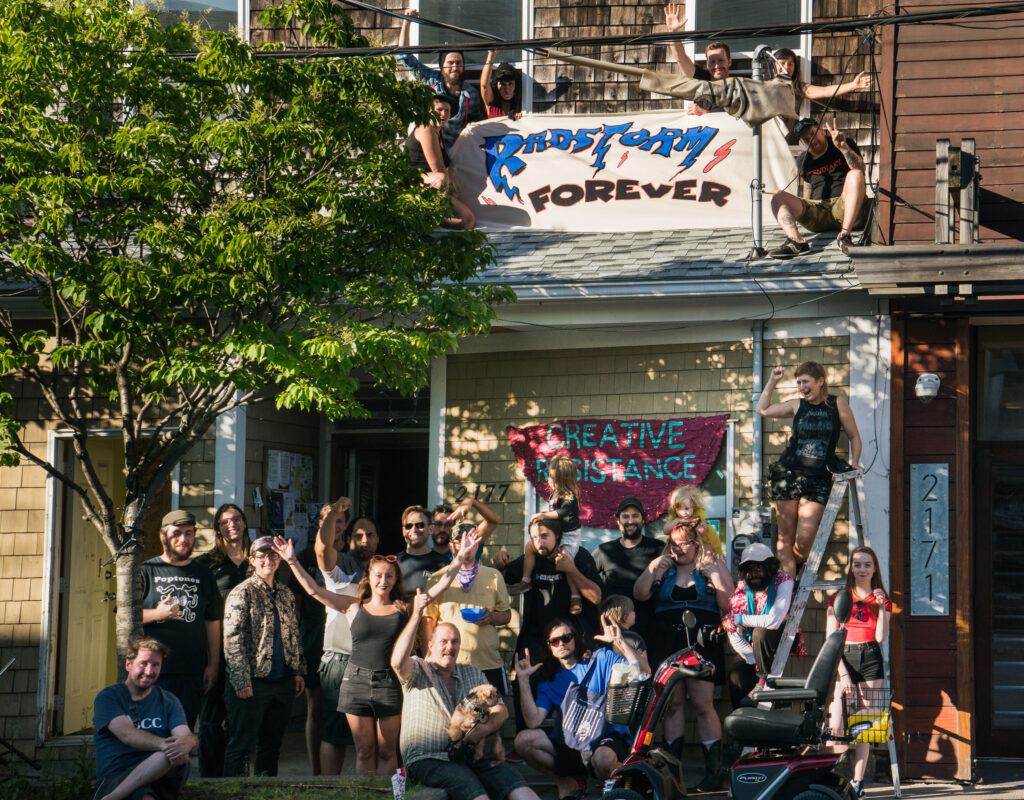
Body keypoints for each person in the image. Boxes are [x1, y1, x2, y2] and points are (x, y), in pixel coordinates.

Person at [276, 529, 481, 775]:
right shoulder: (353, 606)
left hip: (390, 684)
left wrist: (460, 558)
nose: (383, 581)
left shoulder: (404, 606)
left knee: (387, 751)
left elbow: (442, 584)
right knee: (364, 750)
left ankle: (389, 795)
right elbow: (313, 591)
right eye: (378, 575)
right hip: (355, 682)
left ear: (396, 579)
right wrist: (291, 561)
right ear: (369, 577)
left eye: (389, 576)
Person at [392, 591, 541, 800]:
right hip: (428, 758)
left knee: (516, 785)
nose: (449, 647)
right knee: (474, 791)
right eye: (443, 642)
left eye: (454, 642)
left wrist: (485, 728)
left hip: (474, 755)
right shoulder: (417, 669)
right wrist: (416, 613)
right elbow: (397, 661)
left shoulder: (472, 673)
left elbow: (501, 710)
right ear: (431, 646)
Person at [634, 519, 734, 795]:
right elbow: (640, 594)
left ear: (697, 544)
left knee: (703, 704)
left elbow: (728, 604)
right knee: (673, 704)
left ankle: (714, 772)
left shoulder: (709, 564)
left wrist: (715, 571)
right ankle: (674, 771)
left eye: (685, 543)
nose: (679, 548)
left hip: (702, 640)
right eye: (674, 544)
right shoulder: (664, 568)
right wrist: (654, 567)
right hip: (666, 640)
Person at [757, 361, 864, 577]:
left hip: (818, 480)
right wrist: (772, 381)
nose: (801, 386)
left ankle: (794, 565)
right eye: (798, 382)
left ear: (820, 381)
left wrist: (856, 460)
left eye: (805, 381)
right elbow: (762, 409)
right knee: (784, 538)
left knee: (804, 540)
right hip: (788, 474)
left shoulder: (837, 404)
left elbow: (854, 436)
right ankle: (788, 586)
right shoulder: (796, 405)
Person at [514, 615, 642, 796]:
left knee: (604, 760)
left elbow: (643, 671)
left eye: (566, 638)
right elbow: (533, 721)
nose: (561, 644)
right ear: (548, 646)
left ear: (575, 638)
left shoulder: (601, 659)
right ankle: (568, 782)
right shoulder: (549, 680)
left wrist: (620, 642)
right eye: (555, 641)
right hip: (573, 744)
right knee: (523, 740)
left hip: (607, 739)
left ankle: (623, 783)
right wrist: (523, 680)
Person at [222, 536, 306, 777]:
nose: (268, 560)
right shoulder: (242, 593)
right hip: (252, 683)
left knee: (271, 746)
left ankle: (265, 792)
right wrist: (241, 679)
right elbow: (232, 639)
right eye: (262, 555)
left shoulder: (286, 594)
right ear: (252, 560)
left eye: (273, 555)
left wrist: (298, 670)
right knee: (240, 746)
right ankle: (233, 795)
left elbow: (294, 634)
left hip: (283, 681)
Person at [140, 509, 223, 730]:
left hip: (192, 672)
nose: (183, 539)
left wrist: (213, 665)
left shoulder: (204, 575)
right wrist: (159, 614)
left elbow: (213, 622)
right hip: (153, 671)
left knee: (182, 735)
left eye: (188, 533)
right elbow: (125, 617)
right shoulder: (147, 571)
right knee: (155, 735)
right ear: (163, 536)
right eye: (176, 533)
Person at [93, 638, 196, 800]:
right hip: (117, 775)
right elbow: (127, 735)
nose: (149, 671)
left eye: (156, 665)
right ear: (128, 665)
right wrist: (164, 745)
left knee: (170, 754)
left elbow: (184, 735)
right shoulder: (109, 697)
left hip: (161, 777)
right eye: (143, 663)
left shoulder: (168, 700)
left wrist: (188, 743)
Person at [828, 546, 891, 800]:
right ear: (851, 568)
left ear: (874, 568)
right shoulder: (839, 597)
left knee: (864, 723)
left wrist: (881, 607)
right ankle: (832, 778)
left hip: (870, 657)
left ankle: (857, 783)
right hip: (845, 656)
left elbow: (880, 637)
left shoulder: (882, 599)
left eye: (867, 565)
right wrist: (843, 674)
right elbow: (830, 639)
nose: (862, 569)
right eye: (857, 564)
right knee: (837, 722)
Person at [194, 503, 251, 777]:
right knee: (210, 721)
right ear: (218, 527)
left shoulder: (257, 561)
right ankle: (210, 780)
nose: (233, 525)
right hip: (215, 650)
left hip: (251, 653)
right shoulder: (206, 565)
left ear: (244, 523)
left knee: (242, 723)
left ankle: (236, 779)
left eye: (237, 519)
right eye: (225, 521)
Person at [425, 518, 510, 692]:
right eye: (460, 542)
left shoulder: (494, 576)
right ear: (451, 546)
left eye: (471, 542)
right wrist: (429, 657)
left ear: (478, 545)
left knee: (492, 716)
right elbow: (428, 621)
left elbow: (506, 615)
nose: (466, 546)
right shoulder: (437, 579)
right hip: (449, 663)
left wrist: (491, 617)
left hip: (487, 664)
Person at [313, 498, 366, 775]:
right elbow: (323, 550)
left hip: (371, 660)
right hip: (339, 659)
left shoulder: (380, 571)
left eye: (370, 535)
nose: (365, 539)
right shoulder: (336, 569)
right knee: (334, 732)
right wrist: (334, 512)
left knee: (366, 737)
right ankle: (328, 789)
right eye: (360, 534)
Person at [768, 116, 867, 258]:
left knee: (855, 174)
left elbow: (861, 171)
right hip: (820, 211)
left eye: (813, 134)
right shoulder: (803, 160)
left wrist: (843, 148)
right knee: (774, 195)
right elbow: (809, 186)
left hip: (845, 205)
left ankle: (845, 236)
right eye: (806, 139)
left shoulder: (843, 144)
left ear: (821, 130)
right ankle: (797, 242)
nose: (812, 141)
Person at [722, 542, 796, 706]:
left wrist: (739, 619)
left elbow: (774, 620)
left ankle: (763, 683)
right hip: (753, 648)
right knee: (736, 675)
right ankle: (741, 721)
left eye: (758, 568)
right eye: (748, 570)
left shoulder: (783, 580)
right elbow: (733, 630)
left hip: (781, 636)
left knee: (760, 632)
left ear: (769, 567)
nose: (753, 574)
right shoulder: (743, 586)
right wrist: (752, 658)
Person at [398, 9, 483, 149]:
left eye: (459, 63)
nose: (455, 67)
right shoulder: (430, 80)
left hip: (454, 155)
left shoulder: (471, 94)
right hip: (423, 149)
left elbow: (476, 122)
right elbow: (404, 56)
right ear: (442, 66)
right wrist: (407, 21)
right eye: (450, 63)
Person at [514, 455, 586, 615]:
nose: (549, 481)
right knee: (529, 547)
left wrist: (544, 515)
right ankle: (526, 580)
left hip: (569, 535)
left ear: (563, 479)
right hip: (556, 534)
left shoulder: (569, 497)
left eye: (553, 478)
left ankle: (575, 596)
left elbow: (563, 512)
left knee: (566, 558)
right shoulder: (555, 495)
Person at [591, 497, 664, 640]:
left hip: (651, 629)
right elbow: (587, 580)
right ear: (618, 521)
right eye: (625, 517)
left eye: (635, 516)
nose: (630, 521)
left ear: (643, 519)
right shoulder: (605, 551)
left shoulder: (658, 548)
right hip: (615, 631)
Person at [406, 93, 476, 231]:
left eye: (447, 111)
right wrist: (450, 191)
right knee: (442, 179)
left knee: (468, 220)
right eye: (439, 110)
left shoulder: (439, 132)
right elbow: (438, 169)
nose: (443, 114)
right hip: (412, 183)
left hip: (433, 187)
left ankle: (431, 219)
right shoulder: (426, 129)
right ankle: (419, 214)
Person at [663, 3, 731, 116]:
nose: (717, 66)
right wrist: (673, 32)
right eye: (712, 61)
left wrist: (705, 113)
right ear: (707, 64)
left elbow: (739, 117)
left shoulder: (738, 87)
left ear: (730, 61)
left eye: (721, 60)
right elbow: (681, 58)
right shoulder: (700, 79)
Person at [773, 48, 871, 114]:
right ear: (774, 65)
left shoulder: (798, 87)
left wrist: (853, 85)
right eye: (782, 63)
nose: (786, 67)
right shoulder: (762, 85)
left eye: (790, 64)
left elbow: (825, 91)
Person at [397, 504, 452, 594]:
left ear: (430, 529)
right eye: (408, 526)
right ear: (403, 531)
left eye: (420, 525)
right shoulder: (393, 563)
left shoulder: (444, 565)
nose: (414, 529)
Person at [666, 485, 724, 559]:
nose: (684, 513)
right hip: (683, 543)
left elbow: (703, 530)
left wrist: (690, 524)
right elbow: (666, 531)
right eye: (680, 509)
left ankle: (719, 556)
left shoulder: (698, 511)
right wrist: (678, 521)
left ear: (693, 506)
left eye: (687, 509)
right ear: (675, 509)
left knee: (709, 554)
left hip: (704, 540)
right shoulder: (675, 515)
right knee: (669, 547)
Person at [481, 51, 522, 119]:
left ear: (516, 85)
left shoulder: (522, 103)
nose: (507, 89)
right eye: (502, 84)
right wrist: (491, 56)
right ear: (496, 85)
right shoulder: (492, 102)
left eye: (510, 84)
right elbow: (484, 85)